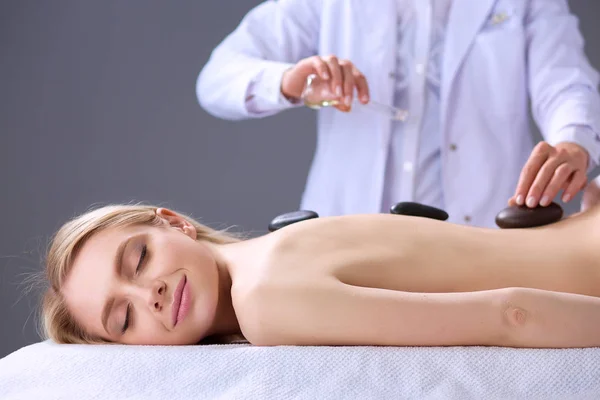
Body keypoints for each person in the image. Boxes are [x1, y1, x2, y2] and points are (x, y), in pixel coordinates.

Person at [197, 0, 600, 228]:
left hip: (481, 237)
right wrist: (289, 81)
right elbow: (216, 77)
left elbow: (564, 80)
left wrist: (571, 141)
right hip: (345, 237)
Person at [42, 202, 600, 348]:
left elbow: (510, 315)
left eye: (138, 260)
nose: (151, 295)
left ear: (175, 223)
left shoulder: (266, 300)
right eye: (124, 317)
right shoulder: (280, 246)